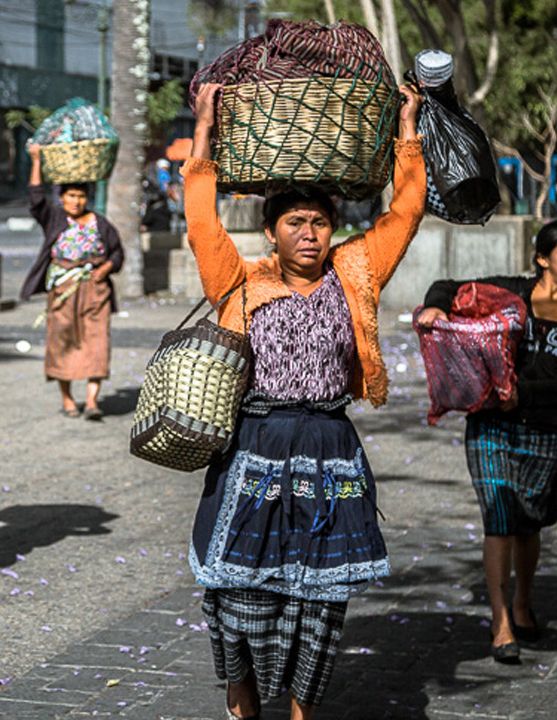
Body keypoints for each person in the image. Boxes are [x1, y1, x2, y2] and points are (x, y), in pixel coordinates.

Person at [184, 81, 424, 720]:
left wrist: (406, 131)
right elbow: (202, 220)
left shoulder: (356, 273)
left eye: (320, 221)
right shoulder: (237, 282)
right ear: (270, 232)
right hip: (254, 453)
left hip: (332, 457)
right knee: (241, 590)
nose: (310, 234)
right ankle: (242, 688)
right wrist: (205, 131)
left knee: (324, 599)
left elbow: (404, 213)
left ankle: (301, 707)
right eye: (295, 222)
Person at [416, 219, 557, 664]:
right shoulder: (509, 293)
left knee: (529, 521)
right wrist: (438, 308)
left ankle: (523, 600)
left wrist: (529, 392)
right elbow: (447, 284)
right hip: (489, 424)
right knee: (498, 514)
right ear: (542, 258)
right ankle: (501, 620)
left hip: (545, 429)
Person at [20, 144, 123, 420]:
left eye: (80, 196)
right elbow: (35, 199)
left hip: (94, 290)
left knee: (97, 341)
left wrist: (107, 268)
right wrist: (36, 161)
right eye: (70, 195)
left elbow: (116, 252)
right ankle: (67, 400)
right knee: (62, 343)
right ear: (62, 198)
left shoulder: (100, 223)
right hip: (63, 291)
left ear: (86, 198)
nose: (75, 201)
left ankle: (91, 401)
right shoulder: (54, 218)